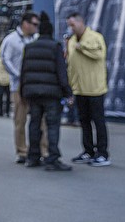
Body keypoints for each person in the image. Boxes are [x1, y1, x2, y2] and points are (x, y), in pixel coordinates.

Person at [19, 12, 73, 171]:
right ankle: (52, 158)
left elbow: (24, 72)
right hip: (51, 94)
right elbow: (61, 72)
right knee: (52, 125)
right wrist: (68, 92)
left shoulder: (29, 47)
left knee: (34, 124)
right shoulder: (55, 46)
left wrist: (23, 92)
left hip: (33, 93)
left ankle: (33, 157)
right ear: (50, 32)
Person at [0, 11, 47, 163]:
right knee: (20, 120)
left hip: (35, 83)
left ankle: (42, 150)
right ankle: (22, 151)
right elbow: (5, 60)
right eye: (34, 24)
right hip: (19, 84)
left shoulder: (37, 38)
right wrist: (19, 75)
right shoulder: (11, 40)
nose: (36, 27)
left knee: (40, 118)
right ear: (25, 24)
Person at [65, 12, 111, 167]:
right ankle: (88, 151)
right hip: (79, 89)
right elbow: (71, 66)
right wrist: (70, 88)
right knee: (84, 122)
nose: (71, 28)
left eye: (72, 24)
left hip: (95, 88)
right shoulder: (71, 41)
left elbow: (99, 55)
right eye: (69, 25)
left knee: (98, 121)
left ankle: (103, 153)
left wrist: (81, 46)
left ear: (80, 22)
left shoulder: (95, 37)